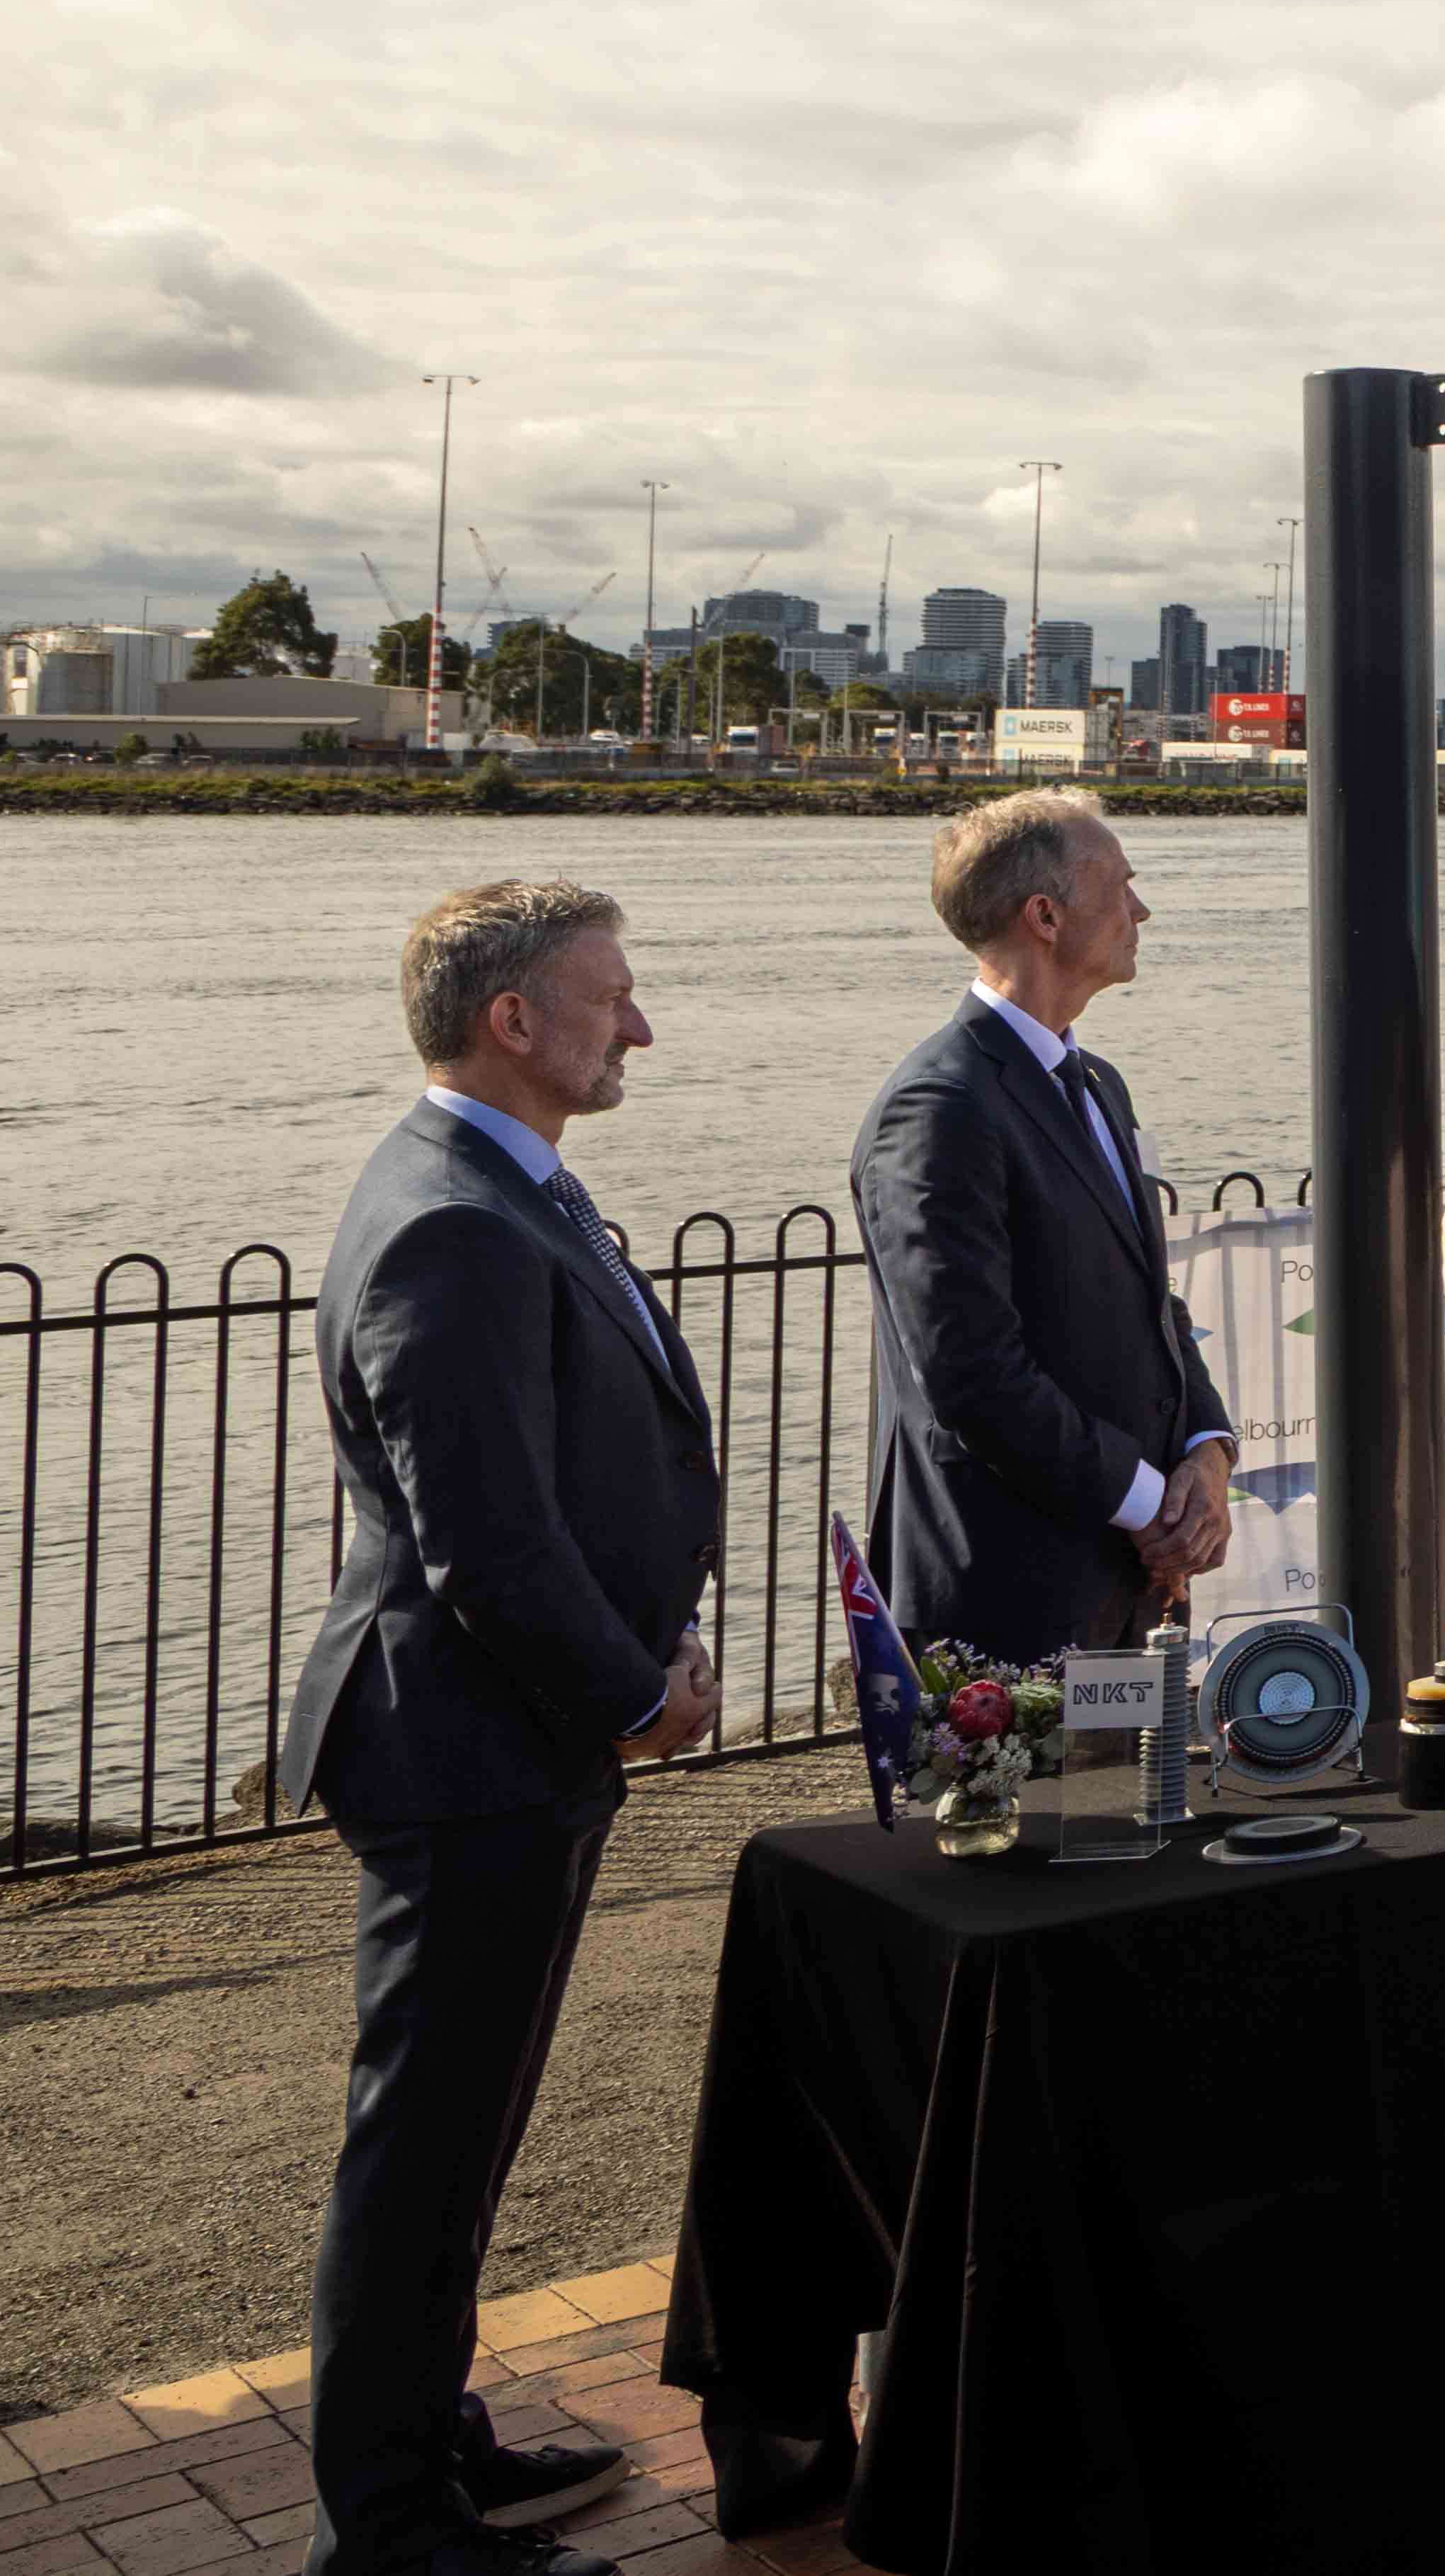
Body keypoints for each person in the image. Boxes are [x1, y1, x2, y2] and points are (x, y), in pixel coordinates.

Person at [288, 883, 719, 2576]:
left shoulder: (498, 1185)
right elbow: (485, 1540)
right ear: (512, 1022)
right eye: (613, 997)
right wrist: (632, 1691)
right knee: (419, 2147)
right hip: (462, 1749)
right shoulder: (450, 1220)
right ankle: (388, 2530)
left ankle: (430, 2438)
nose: (642, 1025)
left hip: (506, 1741)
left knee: (462, 2131)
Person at [854, 792, 1233, 1660]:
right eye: (1122, 887)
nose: (1141, 909)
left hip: (1125, 1569)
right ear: (1046, 916)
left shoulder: (1096, 1083)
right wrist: (1149, 1505)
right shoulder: (941, 1105)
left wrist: (1207, 1454)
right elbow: (970, 1371)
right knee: (1047, 1805)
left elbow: (1150, 1303)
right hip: (1009, 1583)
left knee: (1139, 1795)